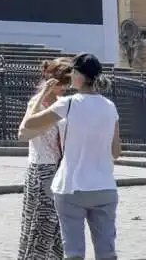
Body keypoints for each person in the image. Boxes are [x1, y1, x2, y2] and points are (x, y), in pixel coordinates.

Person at [20, 53, 122, 260]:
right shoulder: (110, 107)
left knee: (73, 253)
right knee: (107, 253)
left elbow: (29, 124)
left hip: (71, 188)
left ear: (78, 76)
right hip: (104, 187)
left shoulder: (68, 104)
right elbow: (116, 152)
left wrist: (41, 95)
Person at [16, 57, 73, 260]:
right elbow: (23, 132)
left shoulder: (60, 104)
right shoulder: (37, 104)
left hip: (58, 168)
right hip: (41, 169)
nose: (65, 89)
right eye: (63, 84)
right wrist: (42, 95)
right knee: (40, 221)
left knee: (54, 223)